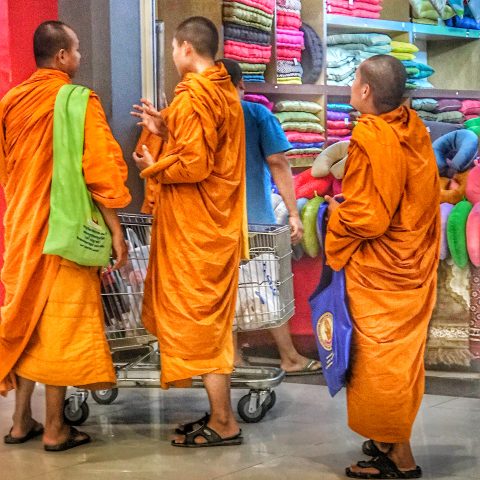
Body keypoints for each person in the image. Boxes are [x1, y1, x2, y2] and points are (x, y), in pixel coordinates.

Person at [0, 21, 131, 451]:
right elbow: (100, 172)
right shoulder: (77, 101)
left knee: (28, 323)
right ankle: (55, 427)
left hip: (22, 227)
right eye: (76, 49)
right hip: (64, 234)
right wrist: (115, 230)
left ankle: (22, 421)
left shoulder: (11, 102)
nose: (80, 57)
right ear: (61, 57)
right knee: (57, 327)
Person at [131, 17, 247, 447]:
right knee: (207, 324)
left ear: (183, 48)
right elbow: (205, 147)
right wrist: (166, 127)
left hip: (199, 231)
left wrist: (153, 167)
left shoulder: (198, 94)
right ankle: (219, 414)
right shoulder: (221, 91)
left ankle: (224, 421)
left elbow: (195, 165)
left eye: (174, 48)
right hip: (209, 226)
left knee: (200, 324)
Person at [324, 55, 440, 478]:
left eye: (354, 80)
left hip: (382, 272)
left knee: (380, 359)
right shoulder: (411, 127)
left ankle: (401, 459)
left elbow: (370, 219)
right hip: (411, 264)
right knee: (400, 360)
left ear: (366, 91)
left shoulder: (371, 136)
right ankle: (389, 441)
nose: (351, 86)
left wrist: (337, 213)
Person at [221, 58, 321, 375]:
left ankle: (233, 356)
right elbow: (278, 162)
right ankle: (289, 357)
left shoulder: (203, 116)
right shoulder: (256, 114)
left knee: (228, 289)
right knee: (267, 288)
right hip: (256, 219)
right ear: (241, 85)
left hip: (215, 223)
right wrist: (293, 212)